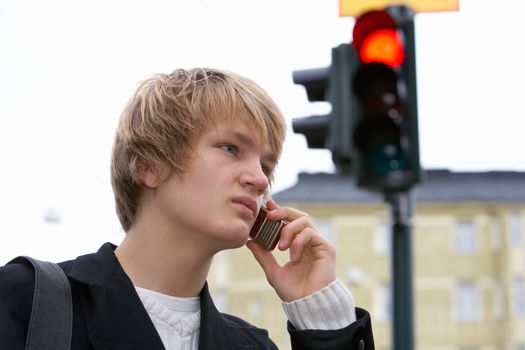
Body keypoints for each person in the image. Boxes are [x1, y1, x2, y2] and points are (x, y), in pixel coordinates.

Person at [0, 68, 374, 349]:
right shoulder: (27, 300)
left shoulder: (252, 346)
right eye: (230, 148)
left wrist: (322, 318)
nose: (259, 180)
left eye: (267, 166)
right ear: (149, 165)